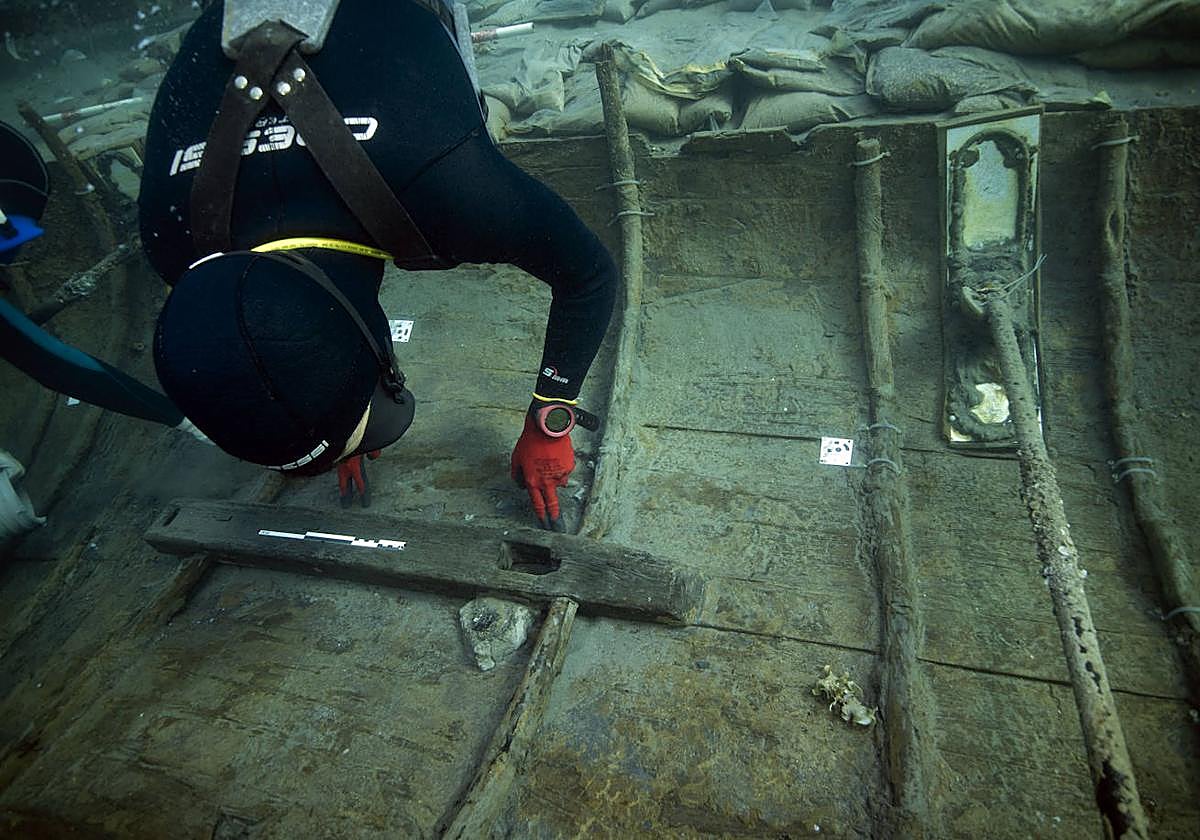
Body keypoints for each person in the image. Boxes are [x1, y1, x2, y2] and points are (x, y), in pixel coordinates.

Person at [138, 0, 618, 527]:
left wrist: (550, 420)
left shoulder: (452, 190)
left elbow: (590, 274)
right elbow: (315, 312)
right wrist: (338, 408)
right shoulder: (170, 238)